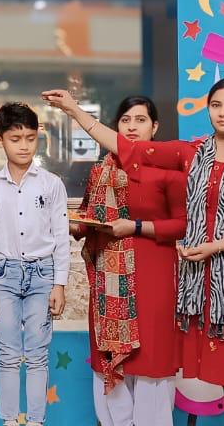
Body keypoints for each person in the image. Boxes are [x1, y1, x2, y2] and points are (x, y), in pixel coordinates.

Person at [53, 79, 224, 426]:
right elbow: (129, 149)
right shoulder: (190, 154)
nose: (223, 113)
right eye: (216, 105)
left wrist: (214, 247)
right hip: (206, 284)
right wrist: (75, 111)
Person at [40, 93, 187, 426]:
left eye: (140, 120)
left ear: (155, 127)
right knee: (109, 356)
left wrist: (136, 226)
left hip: (152, 275)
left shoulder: (168, 169)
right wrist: (72, 225)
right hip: (109, 282)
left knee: (150, 359)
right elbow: (90, 217)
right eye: (125, 120)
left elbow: (182, 225)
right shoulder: (101, 171)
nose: (132, 127)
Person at [0, 102, 70, 426]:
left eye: (30, 138)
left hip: (43, 274)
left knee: (38, 355)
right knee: (8, 355)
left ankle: (37, 421)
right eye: (15, 139)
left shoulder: (51, 184)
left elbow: (61, 237)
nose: (24, 145)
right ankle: (10, 421)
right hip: (3, 276)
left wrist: (59, 284)